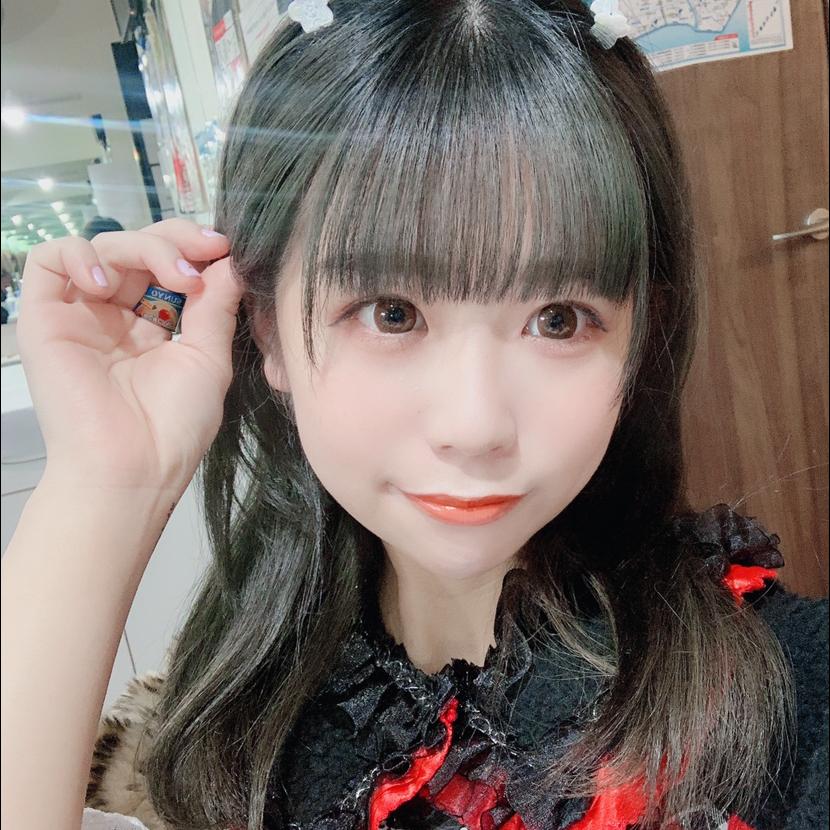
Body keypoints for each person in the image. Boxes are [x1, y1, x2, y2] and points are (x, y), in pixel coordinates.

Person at [2, 2, 827, 829]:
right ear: (268, 330)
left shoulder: (786, 698)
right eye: (392, 313)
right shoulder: (243, 704)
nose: (474, 426)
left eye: (559, 319)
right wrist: (105, 480)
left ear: (641, 338)